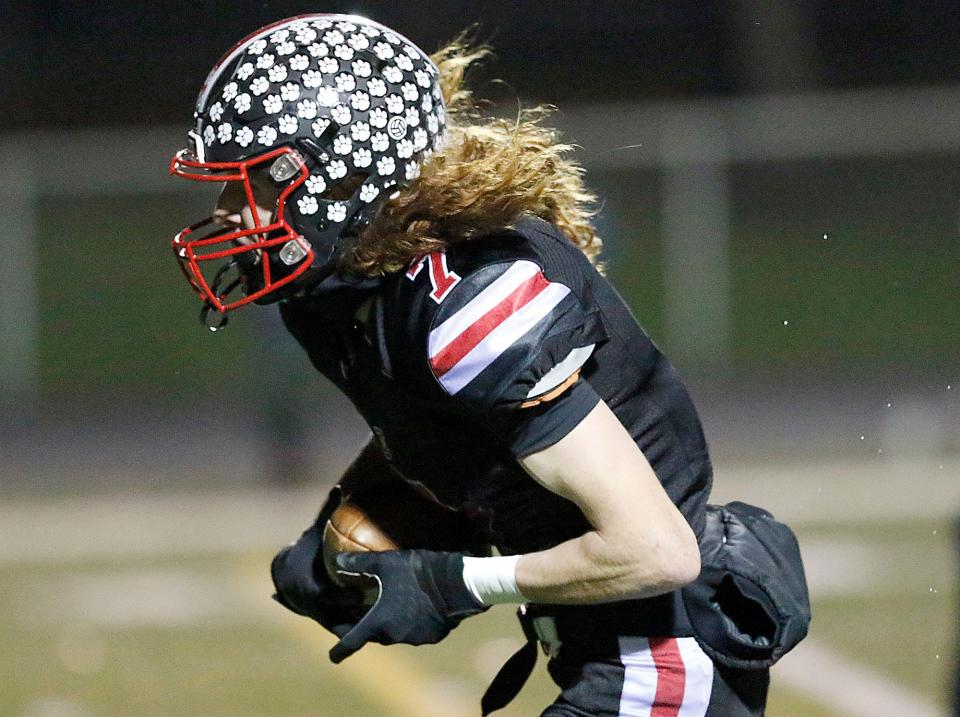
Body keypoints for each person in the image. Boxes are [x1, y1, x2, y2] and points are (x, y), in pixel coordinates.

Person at [170, 14, 804, 716]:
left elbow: (657, 548)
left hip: (661, 657)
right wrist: (345, 522)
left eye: (249, 180)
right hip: (607, 655)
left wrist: (453, 583)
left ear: (339, 174)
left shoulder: (470, 302)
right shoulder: (344, 294)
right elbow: (439, 419)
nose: (228, 212)